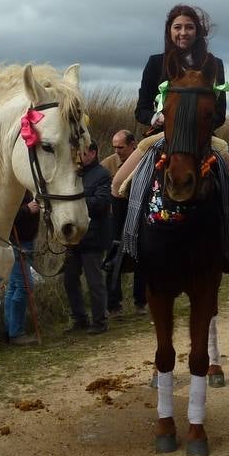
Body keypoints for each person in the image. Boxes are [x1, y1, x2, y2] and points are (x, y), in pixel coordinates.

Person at [110, 4, 229, 274]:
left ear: (197, 31)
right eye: (178, 27)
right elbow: (140, 108)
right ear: (170, 31)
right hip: (160, 137)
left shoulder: (213, 64)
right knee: (118, 184)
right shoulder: (156, 63)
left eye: (189, 27)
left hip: (202, 140)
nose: (183, 32)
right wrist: (156, 118)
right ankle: (121, 246)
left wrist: (200, 125)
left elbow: (220, 113)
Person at [63, 141, 112, 334]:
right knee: (69, 280)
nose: (78, 156)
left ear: (93, 152)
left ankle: (100, 321)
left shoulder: (102, 174)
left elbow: (101, 203)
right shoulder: (73, 173)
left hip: (93, 237)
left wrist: (76, 202)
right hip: (73, 236)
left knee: (94, 282)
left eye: (82, 153)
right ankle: (79, 318)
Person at [102, 130, 147, 316]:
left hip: (139, 218)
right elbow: (102, 190)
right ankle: (114, 305)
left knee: (141, 259)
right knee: (114, 258)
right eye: (114, 147)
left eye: (121, 147)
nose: (117, 151)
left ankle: (141, 302)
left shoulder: (144, 162)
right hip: (115, 220)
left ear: (133, 145)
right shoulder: (108, 164)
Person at [5, 191, 41, 345]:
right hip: (16, 241)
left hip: (26, 241)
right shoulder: (14, 187)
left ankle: (10, 329)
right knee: (25, 285)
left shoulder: (29, 186)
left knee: (14, 286)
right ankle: (16, 332)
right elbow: (6, 214)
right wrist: (27, 209)